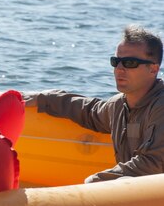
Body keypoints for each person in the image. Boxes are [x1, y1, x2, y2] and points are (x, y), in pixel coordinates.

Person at [23, 25, 164, 183]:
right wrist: (43, 99)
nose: (119, 69)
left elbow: (154, 164)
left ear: (153, 69)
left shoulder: (160, 106)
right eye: (116, 61)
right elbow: (89, 111)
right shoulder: (118, 105)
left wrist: (96, 182)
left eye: (129, 63)